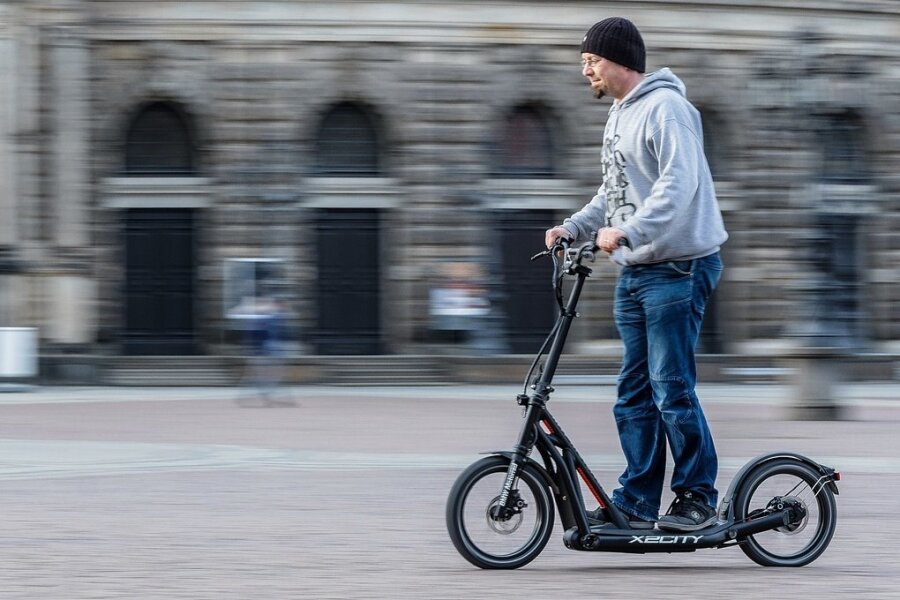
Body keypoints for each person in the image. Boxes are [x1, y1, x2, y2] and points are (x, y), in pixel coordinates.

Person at [545, 17, 728, 532]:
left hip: (678, 267)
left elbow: (680, 184)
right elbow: (615, 191)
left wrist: (628, 232)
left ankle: (697, 498)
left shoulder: (668, 109)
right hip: (636, 272)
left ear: (620, 60)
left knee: (670, 386)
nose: (586, 72)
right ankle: (639, 502)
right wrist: (574, 228)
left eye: (591, 62)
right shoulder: (621, 115)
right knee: (633, 393)